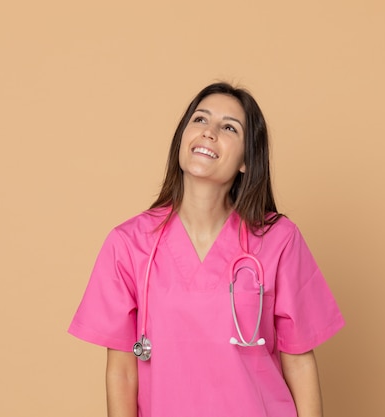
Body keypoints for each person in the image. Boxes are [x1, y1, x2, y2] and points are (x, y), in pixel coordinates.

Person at [68, 82, 344, 417]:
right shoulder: (129, 244)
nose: (209, 132)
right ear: (182, 139)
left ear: (247, 160)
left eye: (229, 127)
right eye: (200, 120)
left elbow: (299, 363)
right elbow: (122, 371)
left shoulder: (279, 240)